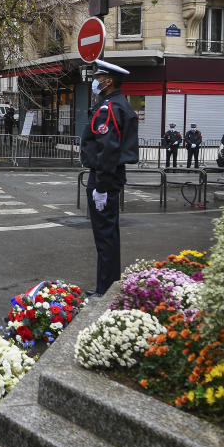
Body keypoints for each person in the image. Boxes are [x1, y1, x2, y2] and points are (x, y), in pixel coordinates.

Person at [81, 59, 139, 297]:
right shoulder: (116, 105)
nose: (95, 82)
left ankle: (105, 290)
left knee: (105, 238)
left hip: (105, 176)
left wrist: (102, 187)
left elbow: (108, 148)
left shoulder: (110, 108)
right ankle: (107, 285)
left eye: (98, 78)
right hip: (110, 175)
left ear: (108, 81)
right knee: (108, 236)